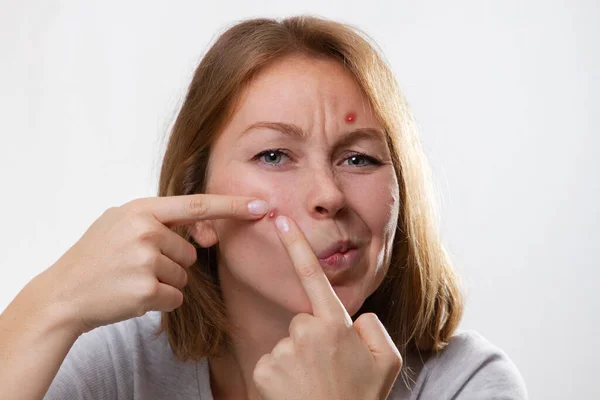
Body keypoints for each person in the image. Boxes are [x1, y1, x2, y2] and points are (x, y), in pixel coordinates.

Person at [0, 15, 528, 400]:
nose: (328, 195)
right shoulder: (112, 365)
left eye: (360, 158)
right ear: (197, 208)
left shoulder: (468, 384)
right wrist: (53, 301)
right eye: (274, 155)